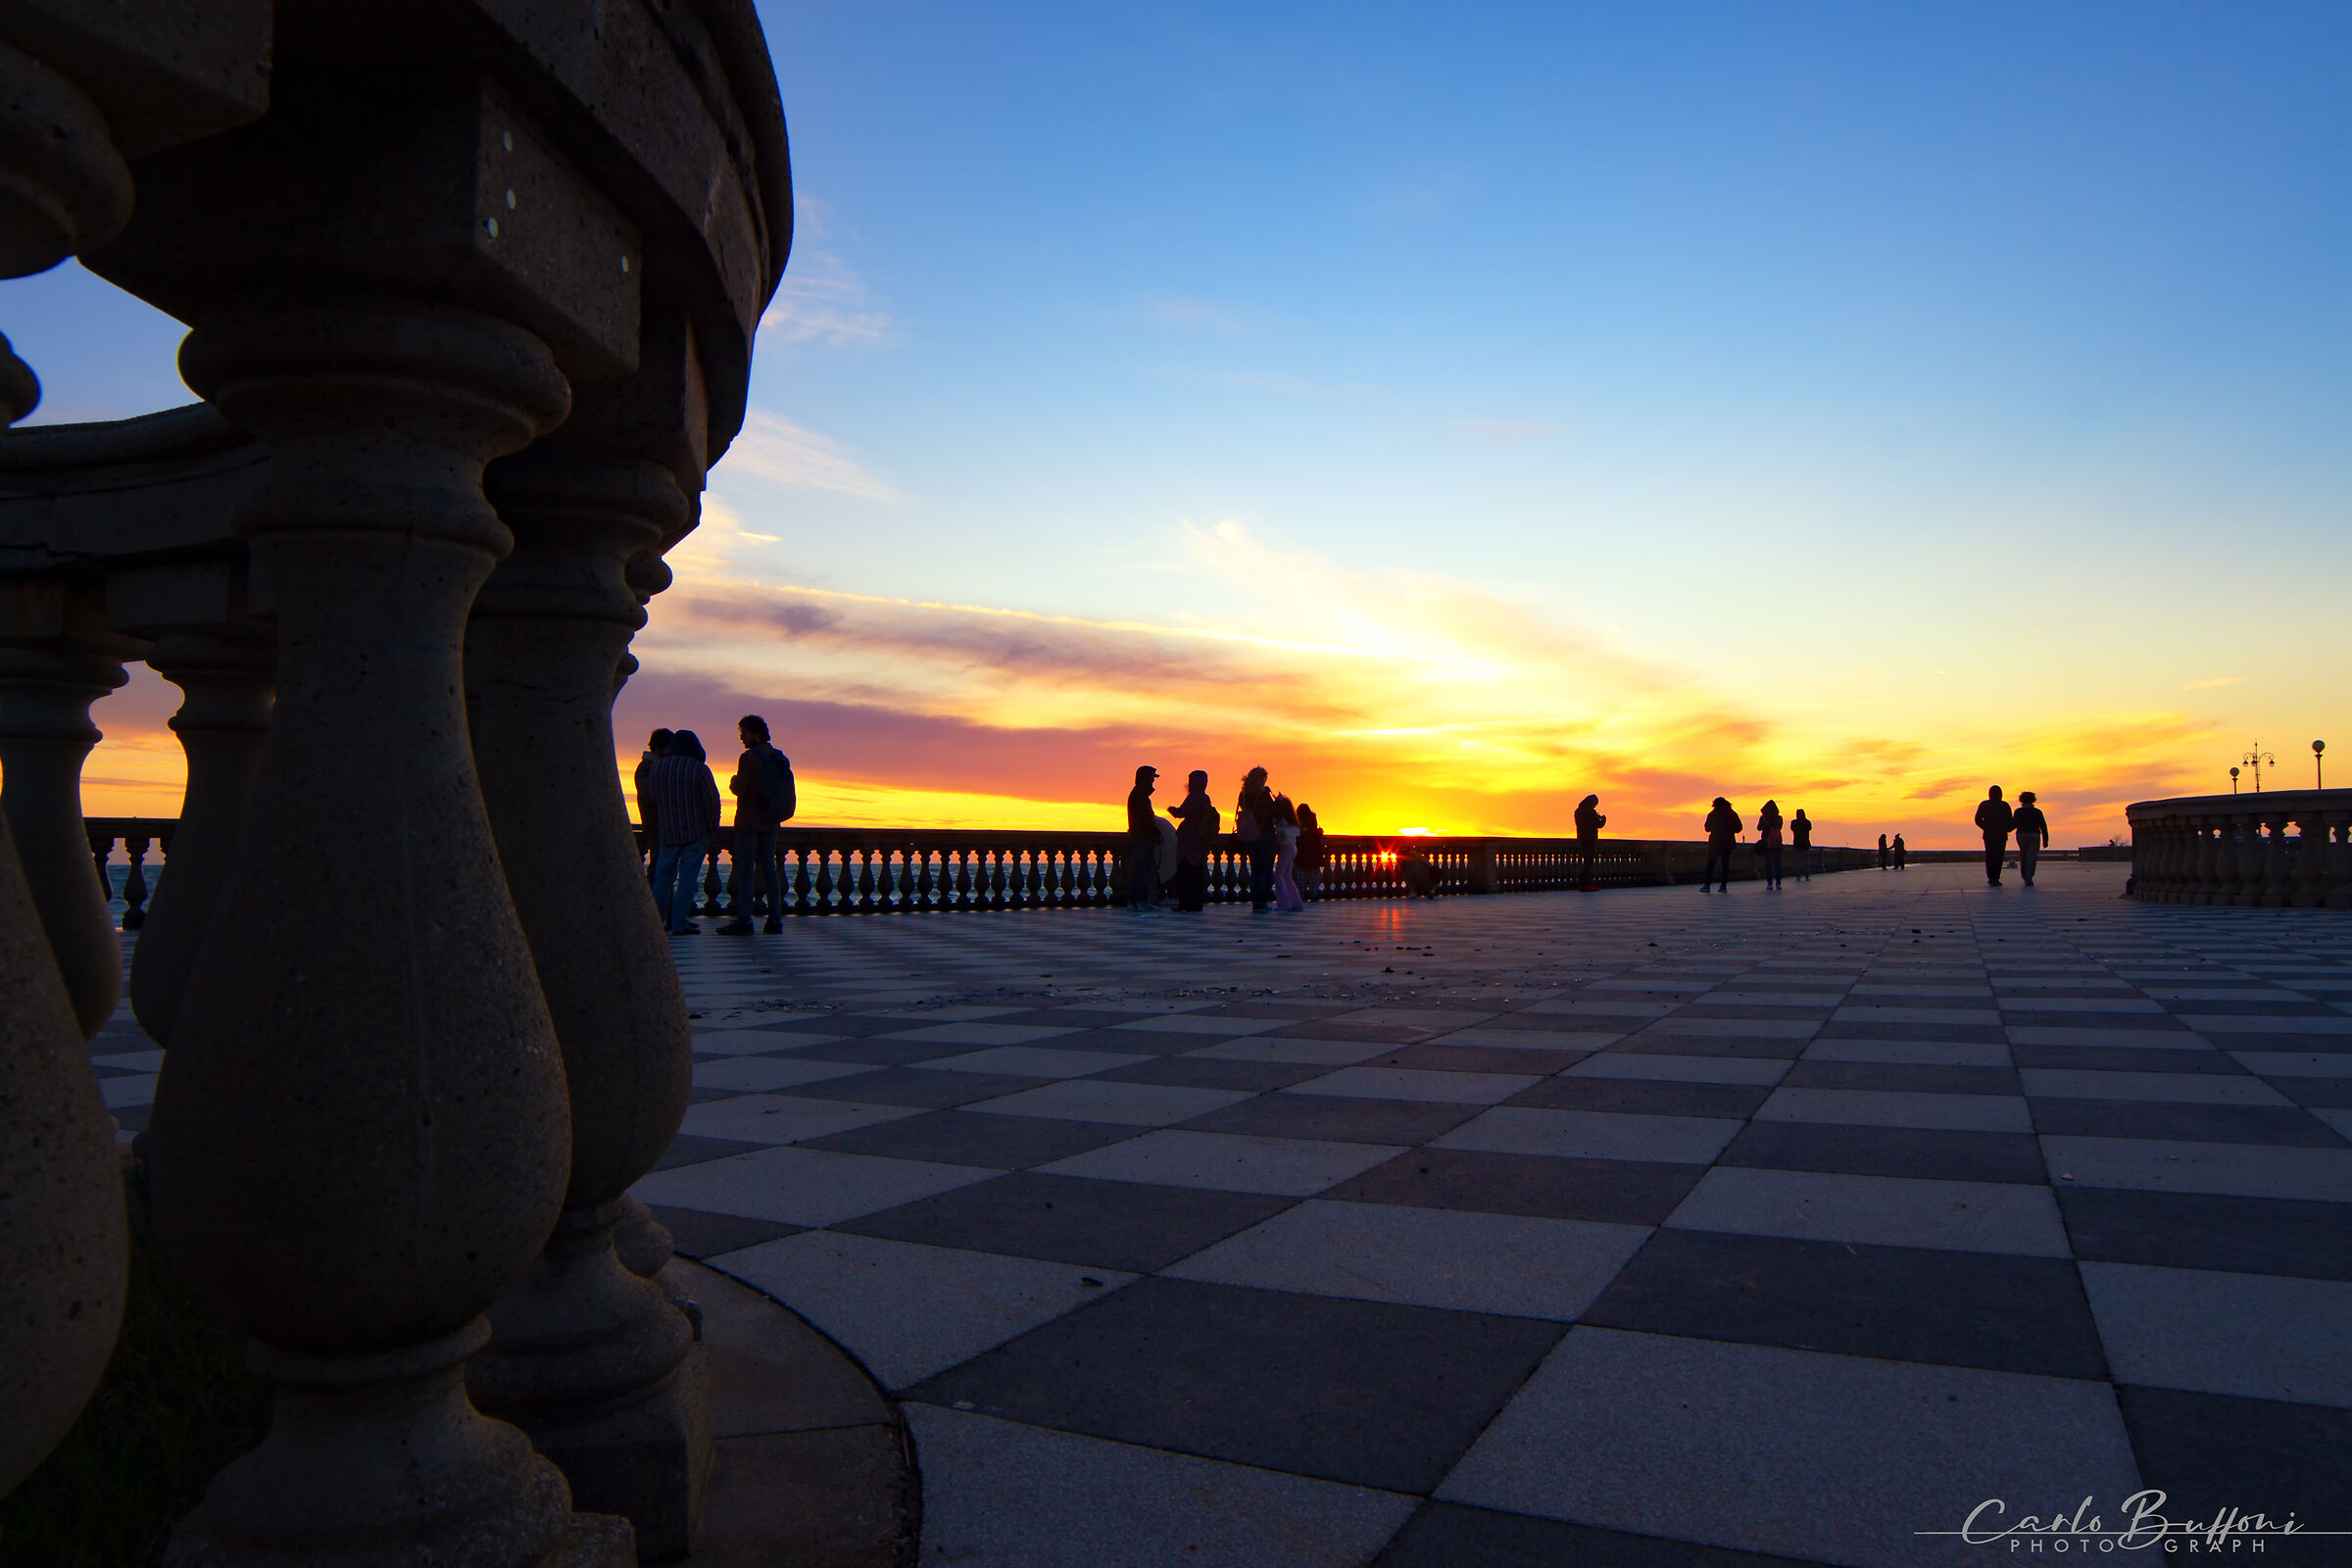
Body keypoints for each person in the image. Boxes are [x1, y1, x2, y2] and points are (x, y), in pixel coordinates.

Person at [718, 714, 794, 934]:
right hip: (770, 822)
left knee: (745, 871)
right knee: (770, 869)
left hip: (749, 823)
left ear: (756, 733)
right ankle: (775, 919)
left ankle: (744, 919)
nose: (742, 737)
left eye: (744, 733)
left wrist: (733, 782)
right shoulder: (778, 757)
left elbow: (740, 788)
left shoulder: (749, 758)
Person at [649, 729, 721, 935]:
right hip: (695, 833)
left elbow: (652, 797)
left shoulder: (658, 768)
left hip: (667, 832)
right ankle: (679, 922)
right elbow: (712, 801)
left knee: (662, 879)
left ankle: (656, 922)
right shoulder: (699, 769)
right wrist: (711, 826)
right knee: (687, 880)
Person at [1168, 769, 1219, 911]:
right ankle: (1196, 903)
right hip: (1200, 840)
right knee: (1197, 873)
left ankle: (1185, 903)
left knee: (1185, 874)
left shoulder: (1193, 797)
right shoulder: (1205, 798)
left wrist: (1171, 809)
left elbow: (1181, 813)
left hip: (1188, 840)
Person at [1236, 766, 1276, 911]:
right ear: (1261, 779)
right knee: (1265, 870)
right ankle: (1262, 902)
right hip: (1265, 835)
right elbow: (1272, 811)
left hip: (1250, 835)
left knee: (1255, 870)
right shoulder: (1264, 794)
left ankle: (1255, 902)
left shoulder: (1243, 794)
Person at [636, 728, 672, 883]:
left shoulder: (652, 766)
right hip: (655, 826)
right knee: (658, 869)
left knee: (662, 868)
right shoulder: (646, 767)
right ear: (658, 748)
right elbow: (648, 794)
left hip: (660, 825)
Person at [1125, 764, 1162, 913]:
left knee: (1141, 871)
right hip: (1143, 838)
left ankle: (1135, 900)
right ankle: (1139, 900)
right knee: (1142, 871)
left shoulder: (1139, 795)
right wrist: (1157, 835)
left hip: (1142, 837)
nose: (1153, 781)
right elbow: (1145, 820)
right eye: (1152, 778)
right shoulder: (1140, 796)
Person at [1975, 785, 2014, 886]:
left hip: (1989, 834)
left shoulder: (1984, 804)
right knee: (1999, 856)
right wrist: (2007, 829)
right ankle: (1995, 877)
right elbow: (2010, 821)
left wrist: (1986, 827)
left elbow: (1977, 819)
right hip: (2001, 834)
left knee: (1990, 855)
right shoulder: (2005, 805)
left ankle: (1991, 877)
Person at [1272, 795, 1305, 910]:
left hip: (1287, 848)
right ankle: (1296, 903)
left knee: (1279, 875)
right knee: (1286, 876)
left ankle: (1284, 903)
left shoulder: (1282, 820)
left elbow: (1283, 832)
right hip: (1291, 849)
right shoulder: (1291, 821)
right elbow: (1296, 832)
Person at [1702, 798, 1741, 892]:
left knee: (1711, 864)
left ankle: (1707, 885)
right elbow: (1739, 828)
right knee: (1725, 864)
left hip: (1715, 842)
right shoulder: (1732, 814)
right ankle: (1723, 886)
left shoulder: (1712, 814)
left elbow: (1707, 828)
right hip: (1728, 842)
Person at [2012, 791, 2049, 886]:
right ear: (2033, 800)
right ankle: (2029, 877)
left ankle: (2024, 876)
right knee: (2032, 857)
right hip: (2034, 835)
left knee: (2023, 855)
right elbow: (2043, 826)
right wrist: (2045, 840)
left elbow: (2013, 825)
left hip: (2021, 835)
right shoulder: (2037, 812)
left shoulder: (2018, 812)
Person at [1294, 803, 1326, 900]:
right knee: (1313, 885)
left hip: (1300, 859)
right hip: (1313, 859)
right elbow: (1316, 834)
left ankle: (1301, 898)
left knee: (1300, 885)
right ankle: (1313, 897)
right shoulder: (1313, 824)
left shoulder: (1298, 824)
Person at [1575, 794, 1606, 890]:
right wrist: (1604, 820)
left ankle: (1584, 883)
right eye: (1595, 804)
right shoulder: (1591, 812)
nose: (1595, 806)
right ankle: (1585, 883)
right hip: (1590, 839)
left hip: (1582, 838)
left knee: (1586, 861)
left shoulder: (1578, 811)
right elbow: (1598, 824)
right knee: (1589, 862)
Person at [1756, 799, 1785, 890]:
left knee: (1768, 863)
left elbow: (1759, 828)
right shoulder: (1779, 818)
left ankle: (1769, 883)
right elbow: (1779, 827)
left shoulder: (1763, 817)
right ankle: (1778, 883)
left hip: (1766, 842)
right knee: (1778, 863)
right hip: (1777, 842)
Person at [1790, 808, 1813, 881]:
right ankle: (1807, 875)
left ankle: (1798, 875)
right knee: (1806, 860)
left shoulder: (1794, 823)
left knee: (1798, 861)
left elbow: (1792, 829)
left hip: (1797, 843)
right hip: (1805, 843)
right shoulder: (1807, 822)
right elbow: (1809, 828)